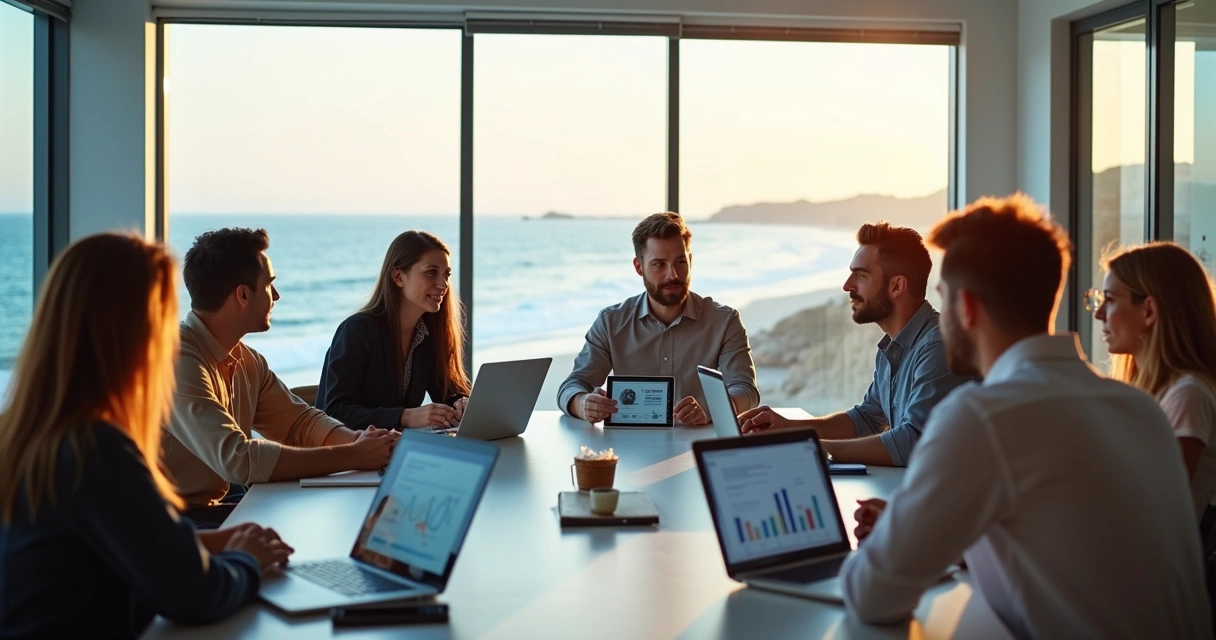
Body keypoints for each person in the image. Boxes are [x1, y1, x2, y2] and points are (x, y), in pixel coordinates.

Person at [842, 195, 1210, 638]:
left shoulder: (982, 418)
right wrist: (924, 526)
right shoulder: (1139, 410)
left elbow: (871, 595)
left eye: (943, 298)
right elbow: (1070, 546)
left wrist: (898, 539)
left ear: (969, 308)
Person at [0, 233, 293, 638]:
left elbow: (119, 544)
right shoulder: (96, 448)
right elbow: (196, 595)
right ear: (131, 329)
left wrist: (212, 543)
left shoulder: (34, 433)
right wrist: (246, 560)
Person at [164, 228, 398, 528]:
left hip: (208, 510)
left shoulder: (247, 361)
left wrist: (361, 441)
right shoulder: (176, 360)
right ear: (243, 295)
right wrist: (353, 456)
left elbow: (300, 424)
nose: (276, 295)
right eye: (270, 285)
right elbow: (239, 459)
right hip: (162, 526)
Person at [738, 222, 971, 466]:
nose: (847, 285)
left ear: (896, 286)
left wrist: (809, 447)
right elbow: (866, 419)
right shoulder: (891, 348)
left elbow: (912, 443)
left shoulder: (938, 345)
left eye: (861, 275)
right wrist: (790, 429)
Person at [557, 212, 759, 425]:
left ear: (690, 261)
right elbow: (573, 385)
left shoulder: (724, 321)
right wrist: (583, 404)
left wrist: (712, 410)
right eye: (659, 264)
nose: (672, 274)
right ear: (639, 267)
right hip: (630, 448)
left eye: (680, 262)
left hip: (695, 447)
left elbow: (746, 390)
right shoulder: (610, 323)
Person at [1093, 242, 1216, 522]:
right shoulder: (1159, 391)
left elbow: (1155, 507)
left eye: (1109, 300)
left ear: (1149, 310)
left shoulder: (1188, 395)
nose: (1099, 314)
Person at [317, 231, 471, 430]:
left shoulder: (429, 336)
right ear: (398, 276)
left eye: (446, 275)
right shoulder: (357, 330)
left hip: (393, 451)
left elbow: (447, 392)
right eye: (431, 272)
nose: (443, 284)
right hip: (347, 455)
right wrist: (405, 417)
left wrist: (461, 403)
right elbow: (335, 412)